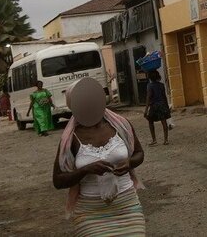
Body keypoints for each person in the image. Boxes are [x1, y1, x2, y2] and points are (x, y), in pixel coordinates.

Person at [53, 77, 146, 236]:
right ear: (73, 107)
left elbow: (139, 153)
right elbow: (58, 180)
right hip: (90, 213)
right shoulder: (70, 138)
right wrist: (85, 170)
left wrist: (129, 163)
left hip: (127, 207)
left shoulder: (120, 125)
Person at [143, 70, 171, 146]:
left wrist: (146, 110)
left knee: (150, 121)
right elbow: (164, 97)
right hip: (162, 105)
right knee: (164, 122)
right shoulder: (161, 85)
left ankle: (154, 140)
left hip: (154, 106)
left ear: (150, 77)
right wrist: (167, 107)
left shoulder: (149, 86)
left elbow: (148, 98)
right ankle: (166, 140)